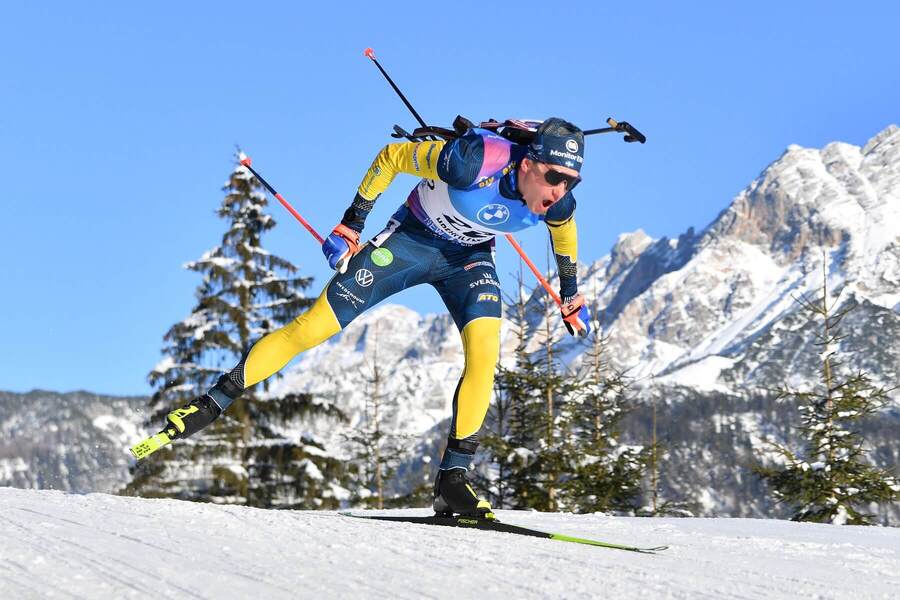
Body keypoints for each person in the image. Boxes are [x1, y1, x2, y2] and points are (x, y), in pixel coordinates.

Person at [162, 117, 592, 518]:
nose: (560, 191)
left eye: (571, 182)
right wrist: (351, 225)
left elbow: (565, 235)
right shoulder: (472, 162)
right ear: (530, 163)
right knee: (313, 328)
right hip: (409, 243)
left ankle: (452, 480)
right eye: (554, 177)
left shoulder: (557, 203)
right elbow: (391, 157)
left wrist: (569, 294)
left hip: (469, 260)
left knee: (484, 357)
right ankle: (211, 402)